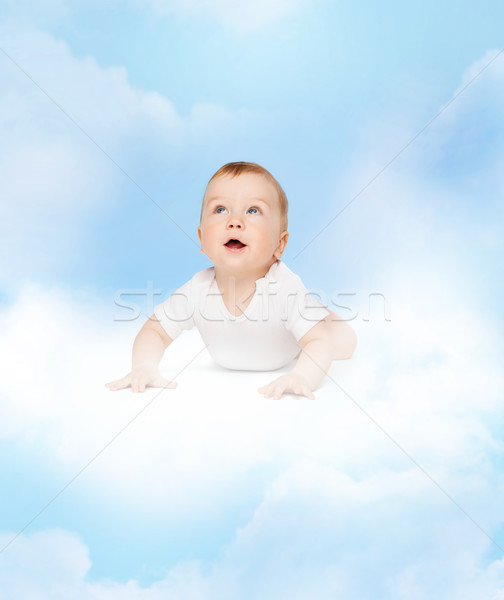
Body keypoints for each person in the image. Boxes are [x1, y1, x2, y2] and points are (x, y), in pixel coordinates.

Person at [106, 162, 357, 399]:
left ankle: (320, 314)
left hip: (295, 344)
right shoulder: (198, 289)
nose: (234, 222)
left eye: (253, 210)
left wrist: (302, 376)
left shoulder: (284, 287)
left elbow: (317, 342)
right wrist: (143, 367)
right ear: (202, 238)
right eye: (220, 209)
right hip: (242, 352)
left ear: (279, 245)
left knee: (344, 343)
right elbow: (154, 331)